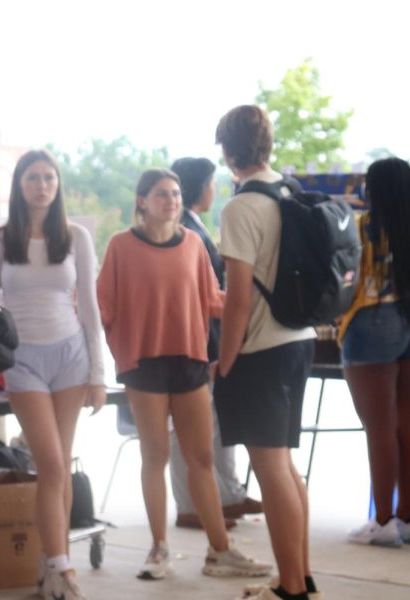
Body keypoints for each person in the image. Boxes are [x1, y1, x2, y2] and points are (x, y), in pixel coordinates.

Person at [96, 167, 271, 583]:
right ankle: (158, 548)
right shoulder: (121, 246)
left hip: (189, 360)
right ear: (142, 201)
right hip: (143, 364)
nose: (171, 200)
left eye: (175, 193)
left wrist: (261, 303)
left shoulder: (193, 244)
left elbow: (213, 299)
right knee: (154, 456)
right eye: (161, 194)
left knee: (203, 459)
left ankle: (220, 551)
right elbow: (103, 306)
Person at [0, 149, 104, 600]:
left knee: (60, 468)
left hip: (71, 356)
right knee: (50, 465)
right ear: (20, 185)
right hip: (22, 359)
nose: (42, 185)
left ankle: (53, 567)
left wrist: (99, 374)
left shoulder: (75, 238)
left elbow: (89, 307)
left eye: (50, 177)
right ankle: (61, 571)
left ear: (57, 185)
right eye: (33, 177)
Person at [214, 105, 318, 600]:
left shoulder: (240, 208)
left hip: (262, 349)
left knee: (271, 469)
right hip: (300, 341)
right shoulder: (289, 191)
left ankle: (292, 587)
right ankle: (299, 574)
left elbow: (237, 300)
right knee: (286, 466)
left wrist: (226, 362)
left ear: (229, 151)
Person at [168, 157, 263, 530]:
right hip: (200, 343)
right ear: (200, 187)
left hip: (208, 340)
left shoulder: (194, 227)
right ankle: (192, 504)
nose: (216, 189)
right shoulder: (185, 232)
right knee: (193, 430)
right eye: (212, 182)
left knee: (214, 425)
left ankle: (224, 497)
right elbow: (199, 297)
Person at [340, 157, 410, 547]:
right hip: (408, 317)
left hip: (370, 323)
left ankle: (381, 520)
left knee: (379, 428)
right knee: (405, 425)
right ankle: (405, 519)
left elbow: (346, 283)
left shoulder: (363, 228)